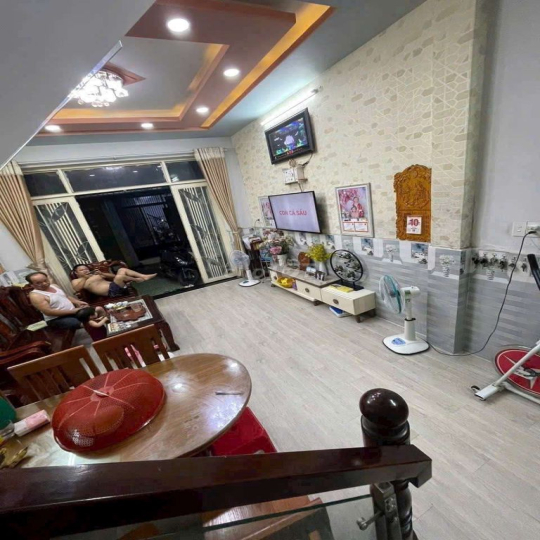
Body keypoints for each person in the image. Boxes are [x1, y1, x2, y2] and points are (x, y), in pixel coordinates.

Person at [27, 272, 93, 330]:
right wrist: (74, 311)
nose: (44, 283)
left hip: (73, 312)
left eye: (45, 280)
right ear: (31, 285)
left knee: (95, 312)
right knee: (87, 324)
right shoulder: (35, 295)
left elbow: (66, 296)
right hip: (57, 319)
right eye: (38, 283)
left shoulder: (54, 286)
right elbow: (48, 312)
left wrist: (78, 302)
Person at [71, 264, 156, 298]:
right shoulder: (76, 280)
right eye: (82, 270)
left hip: (116, 286)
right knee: (120, 277)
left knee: (121, 270)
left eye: (86, 269)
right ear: (76, 272)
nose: (85, 270)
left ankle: (143, 276)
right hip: (111, 292)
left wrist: (102, 273)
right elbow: (77, 289)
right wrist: (84, 278)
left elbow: (114, 277)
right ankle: (137, 280)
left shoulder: (94, 275)